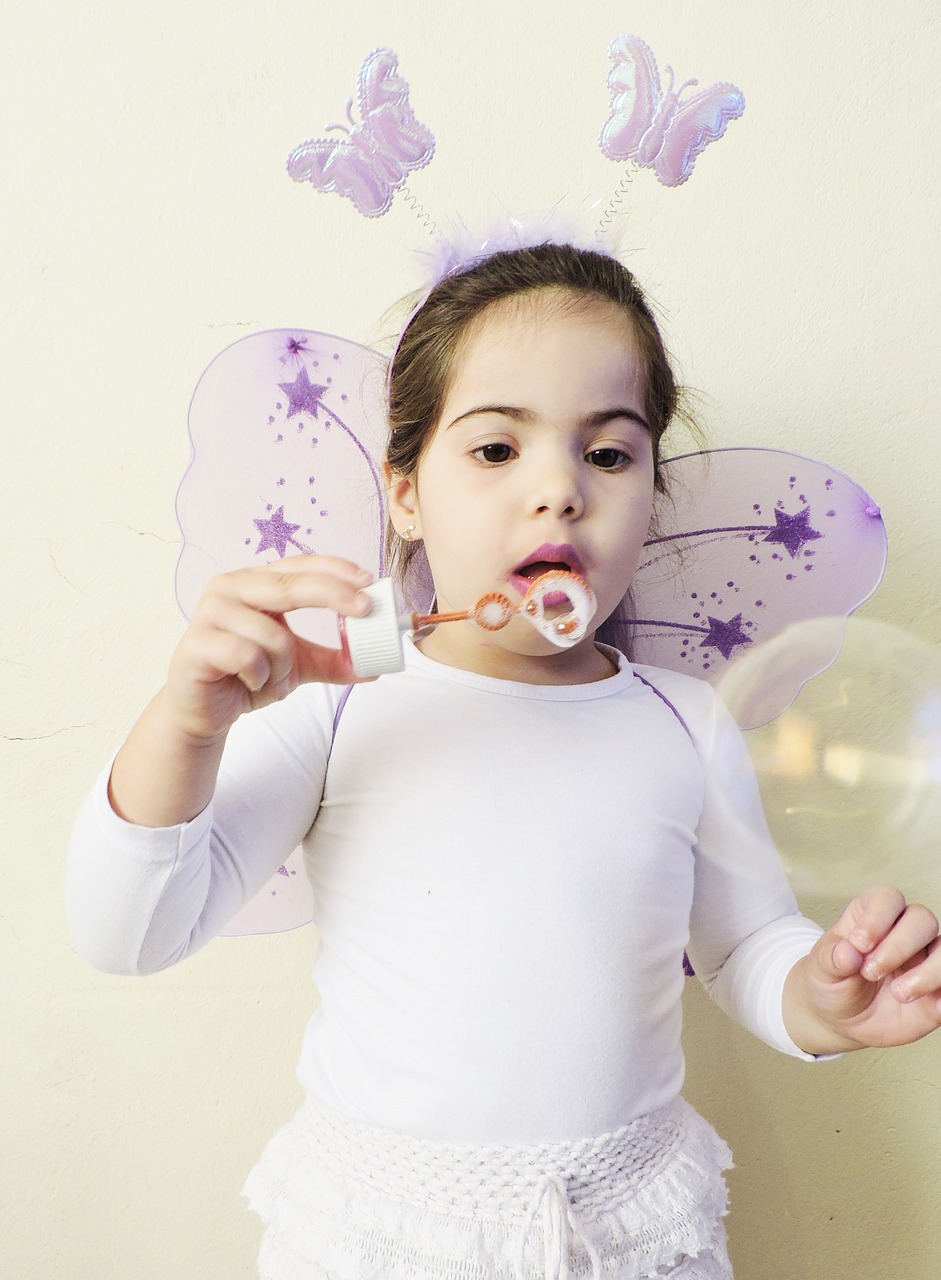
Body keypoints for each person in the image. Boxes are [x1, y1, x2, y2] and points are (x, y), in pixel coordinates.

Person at [66, 243, 941, 1280]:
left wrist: (819, 999)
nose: (557, 490)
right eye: (493, 450)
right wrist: (186, 722)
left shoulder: (683, 718)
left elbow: (745, 944)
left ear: (650, 495)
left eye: (608, 454)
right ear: (404, 496)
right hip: (384, 1233)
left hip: (628, 1231)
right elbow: (128, 932)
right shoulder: (334, 702)